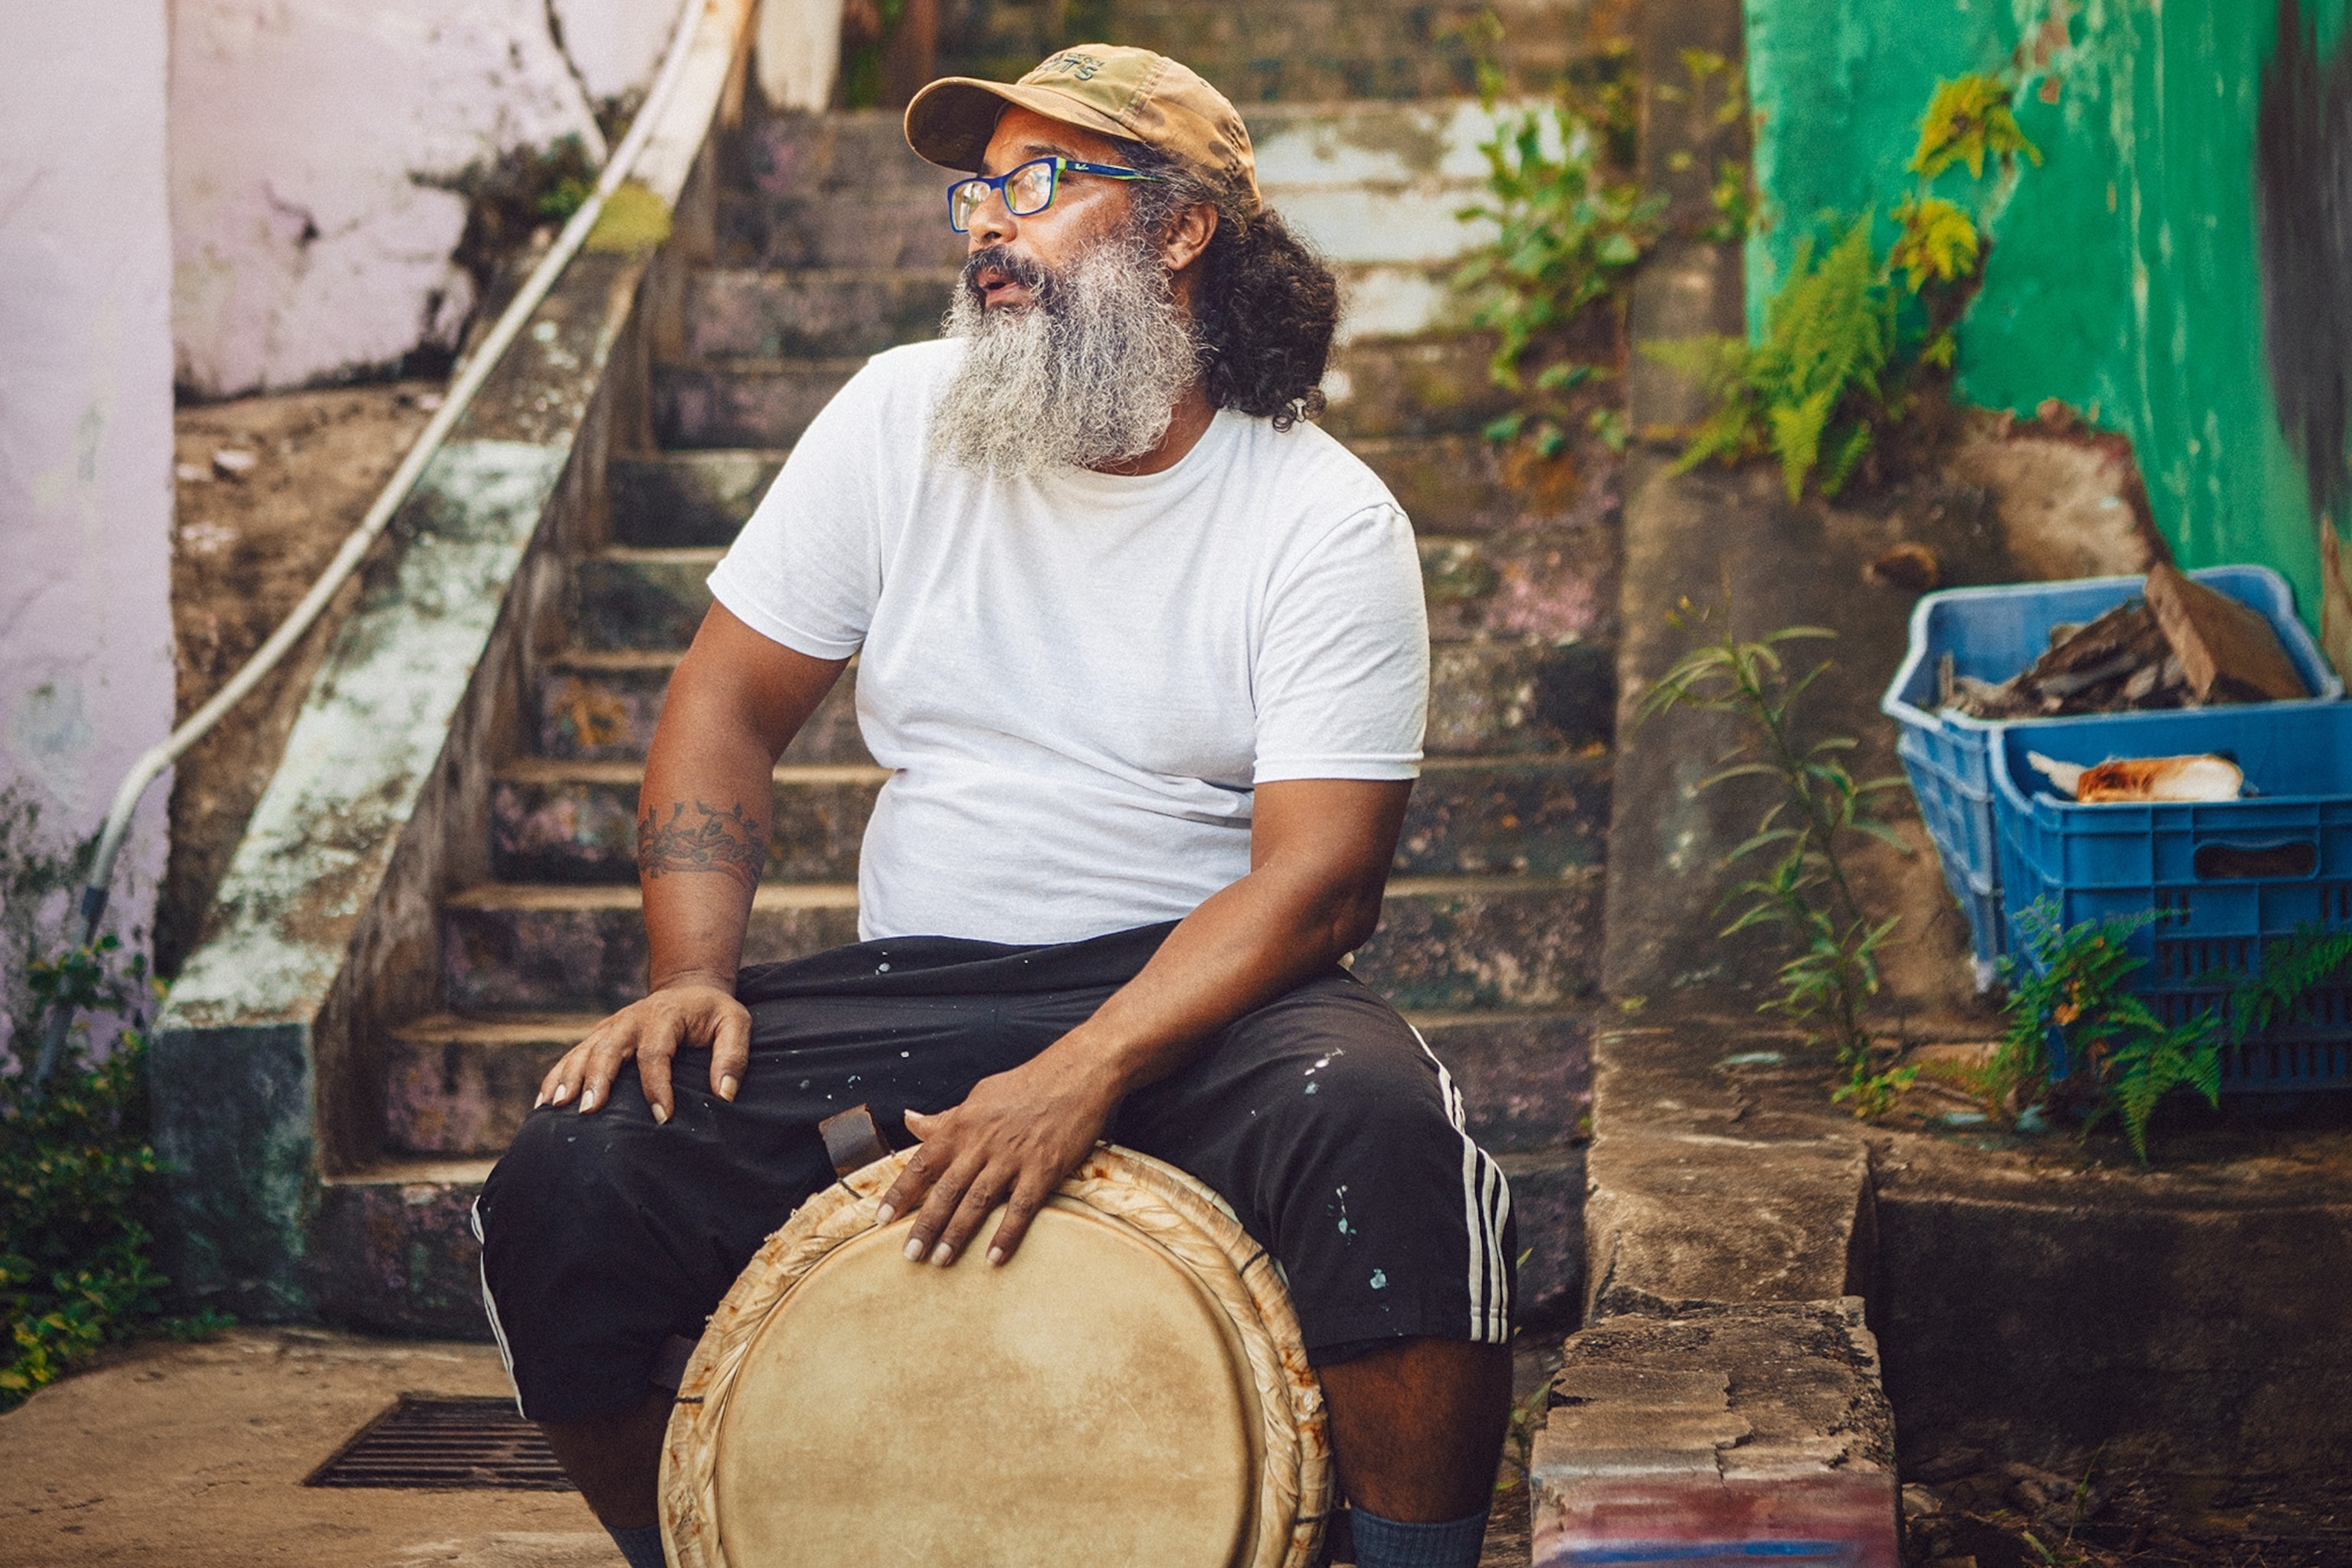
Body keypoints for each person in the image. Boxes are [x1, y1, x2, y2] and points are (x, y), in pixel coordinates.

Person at [474, 44, 1515, 1568]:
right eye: (977, 190)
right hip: (918, 986)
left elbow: (1323, 884)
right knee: (573, 1167)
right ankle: (703, 1542)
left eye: (1041, 185)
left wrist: (1080, 1069)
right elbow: (724, 706)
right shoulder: (901, 415)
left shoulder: (1323, 518)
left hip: (1205, 995)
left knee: (1383, 1126)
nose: (985, 225)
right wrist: (690, 973)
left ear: (1181, 229)